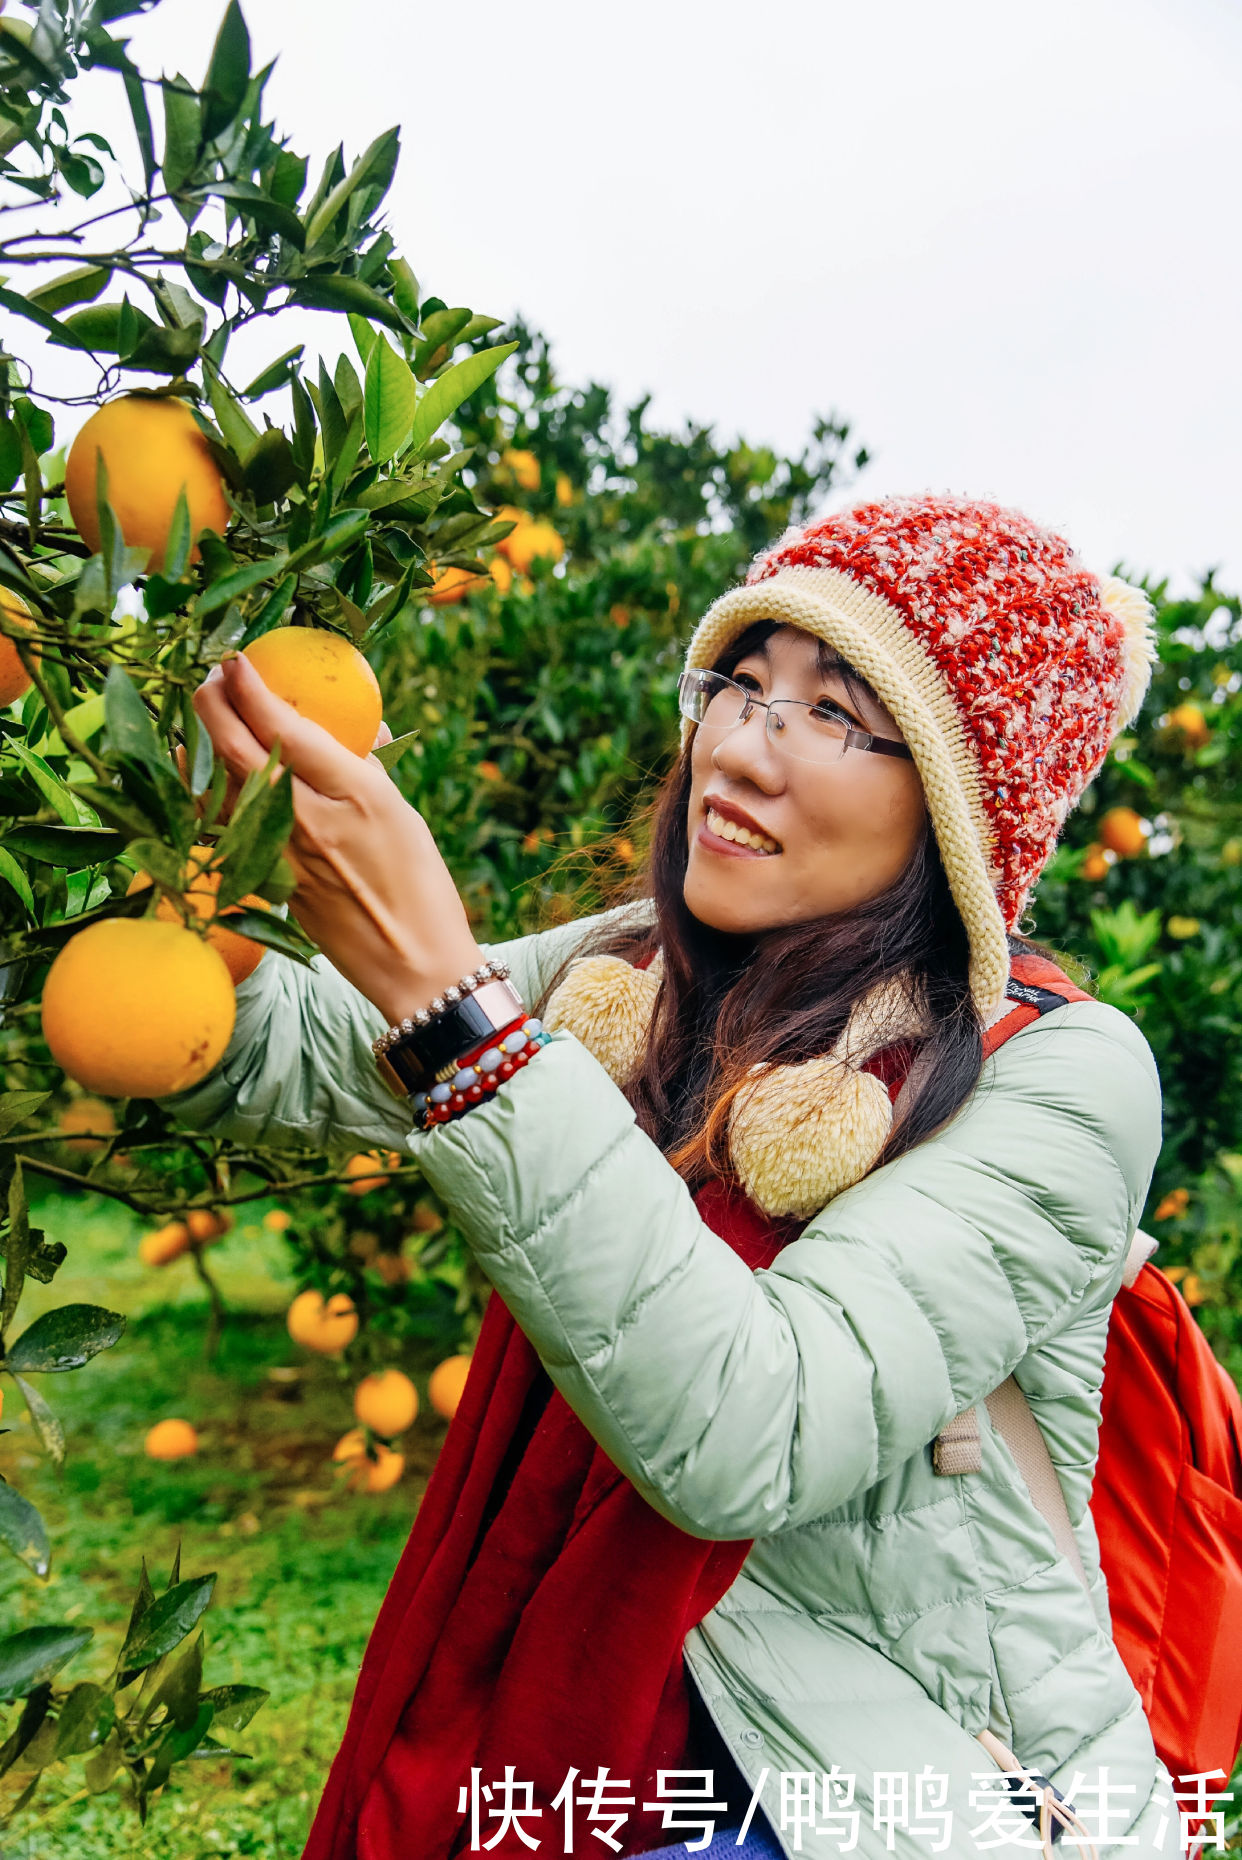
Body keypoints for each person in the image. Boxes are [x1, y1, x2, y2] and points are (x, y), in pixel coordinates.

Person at [164, 495, 1177, 1859]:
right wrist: (173, 859)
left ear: (956, 802)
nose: (743, 749)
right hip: (611, 1729)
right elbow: (277, 1050)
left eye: (831, 713)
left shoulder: (1059, 1077)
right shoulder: (638, 969)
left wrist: (453, 1010)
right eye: (740, 686)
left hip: (889, 1786)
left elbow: (755, 1427)